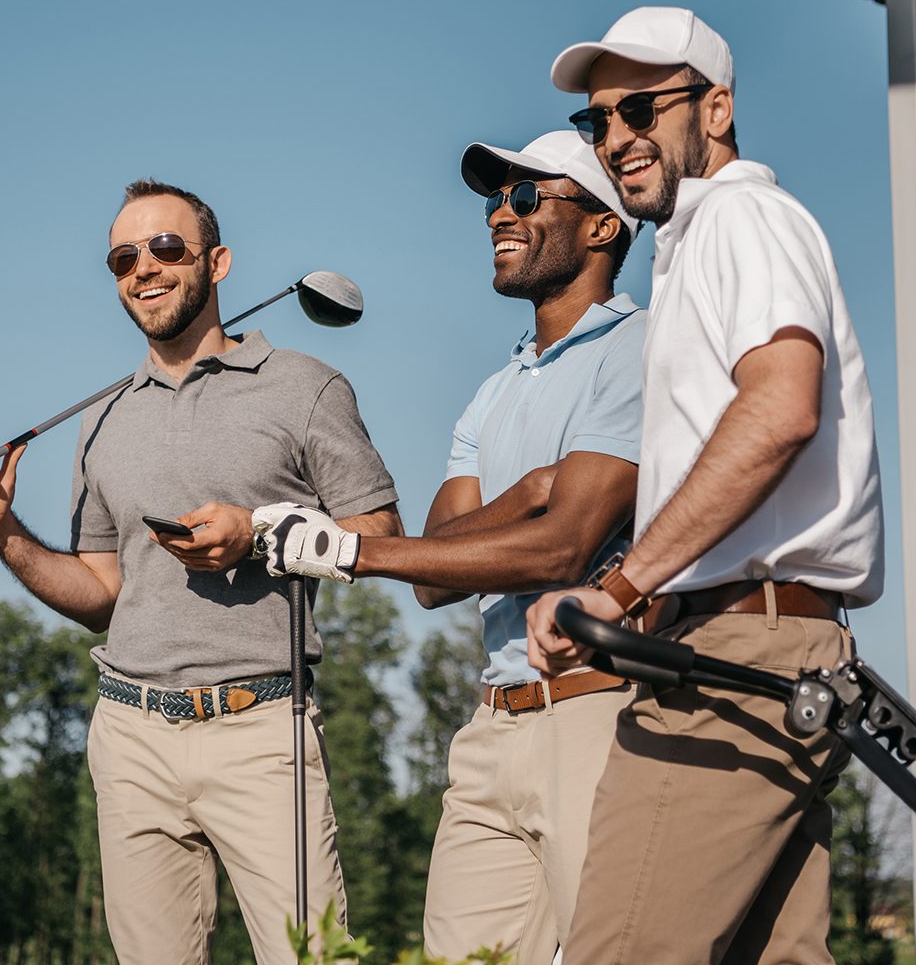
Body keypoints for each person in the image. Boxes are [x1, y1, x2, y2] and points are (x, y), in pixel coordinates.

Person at [0, 178, 401, 965]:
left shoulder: (306, 386)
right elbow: (99, 595)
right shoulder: (102, 416)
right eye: (123, 257)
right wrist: (0, 531)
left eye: (166, 248)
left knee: (314, 959)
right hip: (129, 733)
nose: (143, 268)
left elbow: (378, 534)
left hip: (262, 728)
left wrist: (257, 534)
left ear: (216, 262)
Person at [522, 7, 886, 965]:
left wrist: (617, 588)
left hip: (738, 651)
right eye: (599, 123)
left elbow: (779, 412)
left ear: (715, 108)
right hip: (771, 647)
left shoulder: (741, 216)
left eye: (641, 109)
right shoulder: (697, 241)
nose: (618, 140)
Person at [249, 131, 644, 965]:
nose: (501, 211)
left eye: (529, 196)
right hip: (493, 727)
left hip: (602, 713)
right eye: (495, 199)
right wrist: (529, 492)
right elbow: (437, 573)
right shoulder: (493, 394)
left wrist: (352, 551)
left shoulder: (642, 349)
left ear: (604, 226)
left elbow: (562, 548)